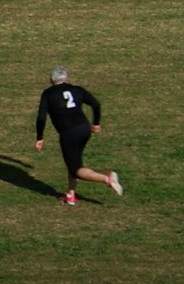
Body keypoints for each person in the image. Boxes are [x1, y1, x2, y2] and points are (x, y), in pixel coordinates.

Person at [33, 68, 123, 206]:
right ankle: (71, 194)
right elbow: (96, 104)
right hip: (84, 129)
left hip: (69, 133)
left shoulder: (48, 93)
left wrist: (39, 137)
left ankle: (107, 179)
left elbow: (41, 118)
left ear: (51, 80)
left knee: (76, 170)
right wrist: (96, 123)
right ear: (66, 78)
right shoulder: (77, 89)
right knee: (73, 161)